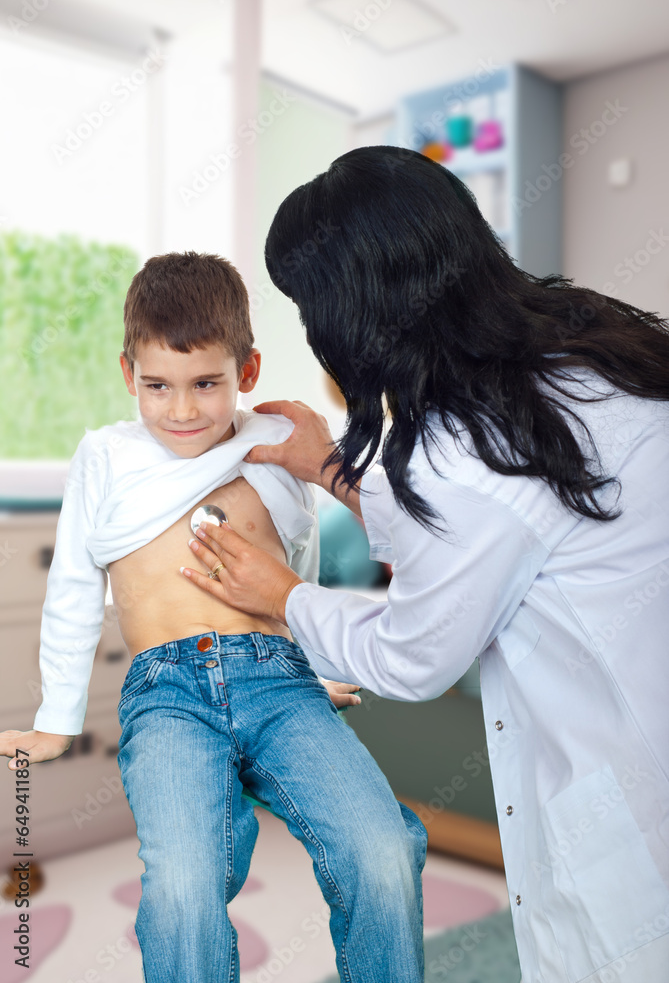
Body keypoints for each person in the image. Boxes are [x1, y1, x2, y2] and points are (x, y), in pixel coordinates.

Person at [182, 147, 669, 983]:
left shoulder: (463, 450)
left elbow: (414, 654)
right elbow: (499, 538)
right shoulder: (582, 346)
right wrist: (331, 469)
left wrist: (285, 597)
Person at [0, 251, 429, 983]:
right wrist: (58, 718)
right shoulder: (105, 454)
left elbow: (297, 565)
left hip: (278, 681)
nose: (183, 409)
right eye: (158, 386)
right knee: (183, 886)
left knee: (381, 849)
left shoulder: (269, 444)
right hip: (166, 695)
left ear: (248, 371)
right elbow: (73, 586)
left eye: (207, 384)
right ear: (128, 374)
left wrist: (315, 667)